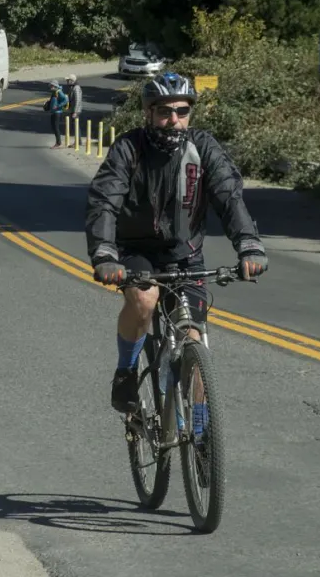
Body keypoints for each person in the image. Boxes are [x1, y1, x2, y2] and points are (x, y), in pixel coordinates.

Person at [84, 72, 269, 414]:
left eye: (182, 112)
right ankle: (126, 371)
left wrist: (248, 244)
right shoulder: (129, 148)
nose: (174, 120)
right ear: (148, 113)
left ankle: (201, 438)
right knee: (144, 297)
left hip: (185, 255)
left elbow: (229, 196)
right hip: (136, 251)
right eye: (165, 112)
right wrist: (105, 254)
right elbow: (104, 202)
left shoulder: (203, 147)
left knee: (192, 340)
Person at [44, 80, 69, 148]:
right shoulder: (54, 92)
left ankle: (58, 143)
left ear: (55, 86)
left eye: (51, 86)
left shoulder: (59, 92)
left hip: (57, 112)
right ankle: (58, 142)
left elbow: (65, 100)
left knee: (56, 127)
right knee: (54, 127)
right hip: (53, 112)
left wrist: (58, 106)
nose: (50, 87)